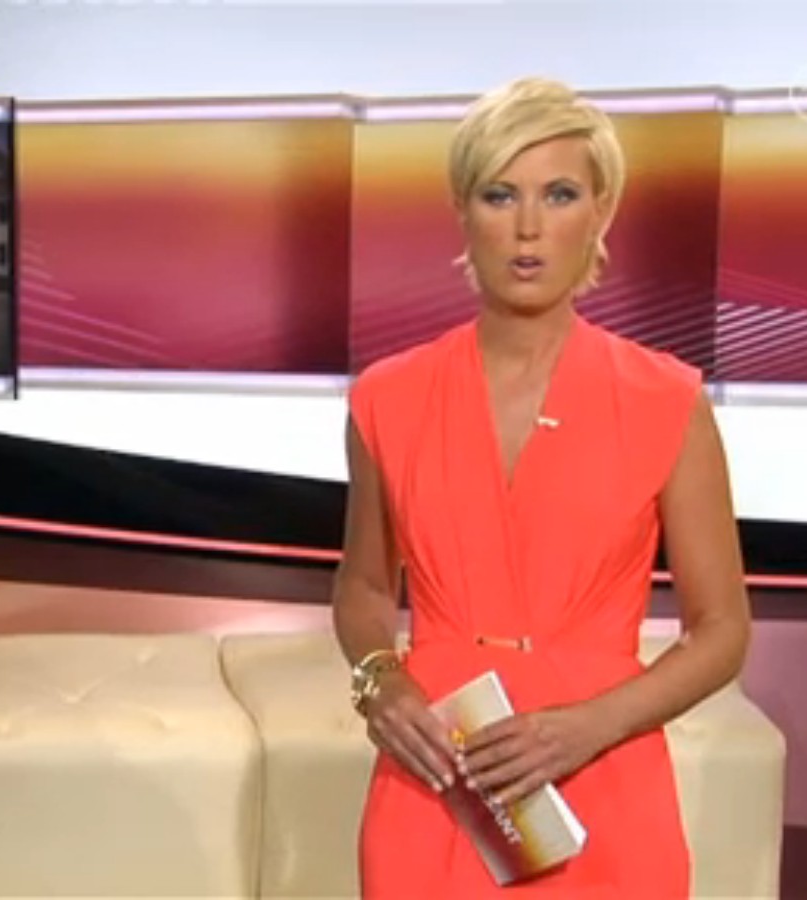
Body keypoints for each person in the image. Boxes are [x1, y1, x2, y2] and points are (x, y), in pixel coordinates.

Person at [333, 76, 752, 897]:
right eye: (500, 194)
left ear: (601, 211)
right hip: (441, 779)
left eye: (559, 194)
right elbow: (364, 587)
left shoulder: (666, 400)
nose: (528, 228)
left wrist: (590, 725)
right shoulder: (387, 396)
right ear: (463, 210)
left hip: (602, 778)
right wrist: (380, 681)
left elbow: (722, 630)